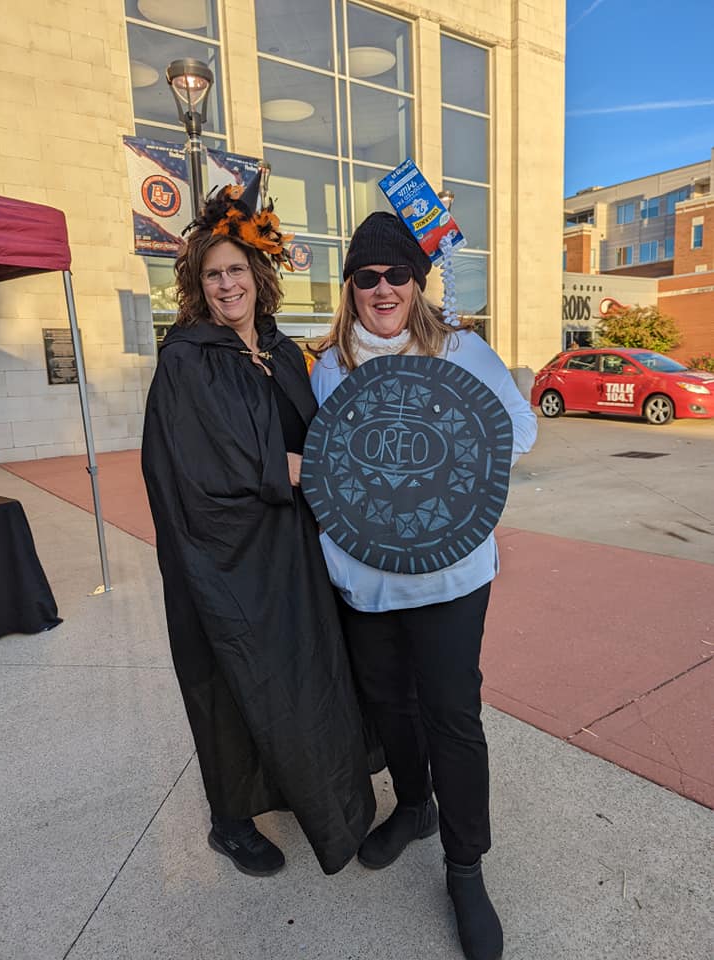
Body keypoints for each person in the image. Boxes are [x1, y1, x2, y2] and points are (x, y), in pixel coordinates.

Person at [309, 212, 538, 959]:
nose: (382, 289)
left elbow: (518, 433)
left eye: (395, 274)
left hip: (448, 572)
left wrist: (460, 428)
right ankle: (413, 806)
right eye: (366, 276)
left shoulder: (461, 349)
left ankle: (465, 867)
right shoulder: (330, 365)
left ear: (418, 281)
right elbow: (329, 465)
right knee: (387, 703)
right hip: (362, 575)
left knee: (451, 713)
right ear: (351, 287)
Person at [141, 179, 375, 878]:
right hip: (222, 556)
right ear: (196, 284)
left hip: (293, 552)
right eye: (212, 275)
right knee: (230, 680)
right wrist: (289, 470)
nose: (225, 285)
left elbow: (322, 423)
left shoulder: (279, 350)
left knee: (304, 675)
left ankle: (320, 796)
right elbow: (192, 462)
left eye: (236, 270)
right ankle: (229, 820)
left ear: (257, 274)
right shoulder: (186, 359)